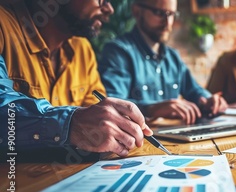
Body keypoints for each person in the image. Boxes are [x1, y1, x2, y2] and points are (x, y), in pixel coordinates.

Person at [0, 0, 152, 157]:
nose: (109, 9)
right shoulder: (3, 26)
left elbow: (97, 112)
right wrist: (71, 123)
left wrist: (114, 124)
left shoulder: (82, 50)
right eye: (101, 0)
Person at [98, 0, 227, 125]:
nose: (167, 22)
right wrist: (153, 109)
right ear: (137, 11)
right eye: (160, 13)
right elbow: (112, 105)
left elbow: (194, 90)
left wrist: (210, 101)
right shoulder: (118, 52)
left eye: (171, 14)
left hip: (175, 138)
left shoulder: (173, 56)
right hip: (137, 142)